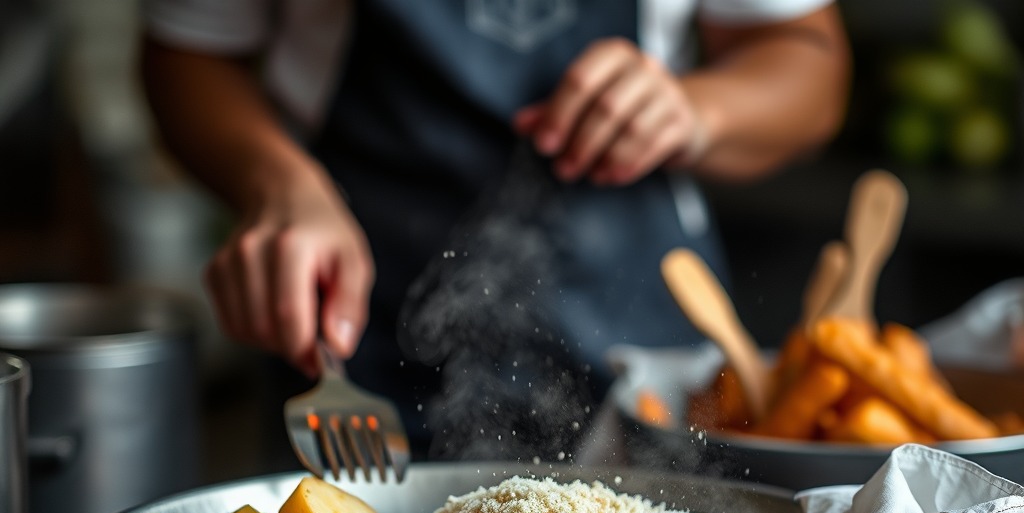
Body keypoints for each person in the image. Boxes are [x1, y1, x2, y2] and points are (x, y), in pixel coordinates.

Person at [140, 1, 850, 462]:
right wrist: (275, 182)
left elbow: (805, 54)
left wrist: (698, 109)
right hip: (359, 344)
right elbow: (189, 52)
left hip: (639, 359)